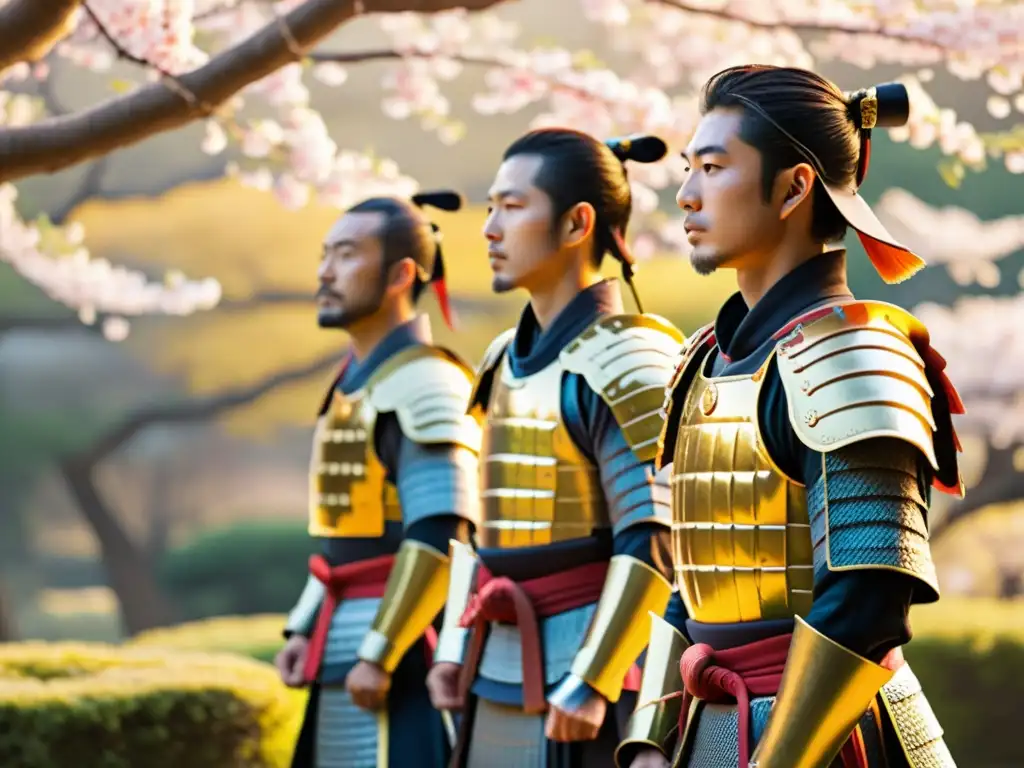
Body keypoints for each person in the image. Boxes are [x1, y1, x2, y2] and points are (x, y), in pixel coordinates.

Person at [617, 65, 963, 768]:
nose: (686, 195)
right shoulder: (704, 359)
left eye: (712, 168)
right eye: (688, 169)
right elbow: (696, 576)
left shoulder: (854, 356)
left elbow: (868, 596)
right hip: (708, 731)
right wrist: (654, 735)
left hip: (832, 742)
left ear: (795, 187)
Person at [424, 127, 686, 768]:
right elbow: (482, 532)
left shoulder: (630, 359)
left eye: (512, 208)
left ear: (576, 223)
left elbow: (652, 540)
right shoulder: (499, 362)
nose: (489, 228)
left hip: (590, 665)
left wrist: (595, 677)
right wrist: (454, 646)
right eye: (490, 207)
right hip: (495, 659)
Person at [275, 190, 482, 768]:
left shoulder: (426, 385)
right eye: (325, 254)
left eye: (345, 255)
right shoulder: (353, 384)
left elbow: (442, 532)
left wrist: (382, 650)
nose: (324, 271)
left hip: (408, 647)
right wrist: (305, 625)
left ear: (401, 274)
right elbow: (348, 542)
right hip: (347, 638)